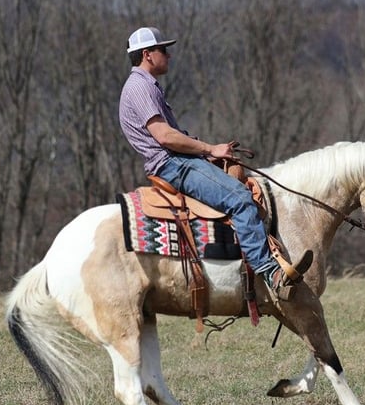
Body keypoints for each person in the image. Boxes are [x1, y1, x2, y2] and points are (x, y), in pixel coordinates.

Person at [118, 26, 312, 298]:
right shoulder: (140, 87)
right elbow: (165, 136)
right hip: (174, 165)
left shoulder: (145, 85)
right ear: (148, 54)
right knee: (241, 199)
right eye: (164, 50)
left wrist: (206, 154)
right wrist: (211, 148)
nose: (169, 55)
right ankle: (271, 272)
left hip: (179, 160)